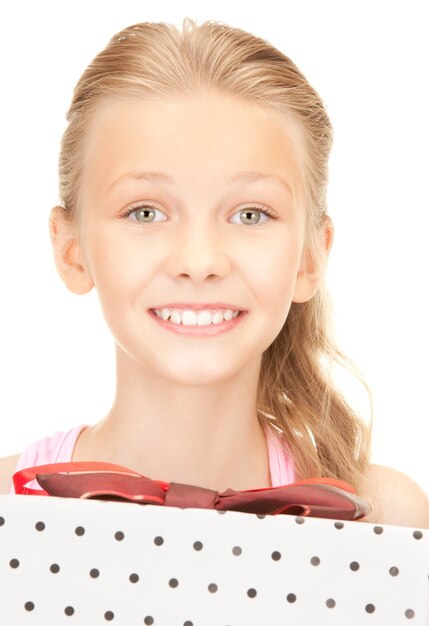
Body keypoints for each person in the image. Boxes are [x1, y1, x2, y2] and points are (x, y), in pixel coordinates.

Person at [0, 18, 427, 527]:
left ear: (311, 257)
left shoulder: (384, 519)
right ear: (71, 250)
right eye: (145, 212)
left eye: (250, 215)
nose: (199, 261)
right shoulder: (9, 504)